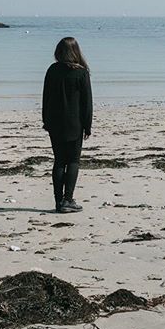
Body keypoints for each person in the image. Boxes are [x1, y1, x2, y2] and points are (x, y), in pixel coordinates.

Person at [42, 37, 93, 213]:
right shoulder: (81, 73)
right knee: (73, 161)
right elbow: (87, 103)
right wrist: (88, 125)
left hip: (54, 122)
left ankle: (58, 201)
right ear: (76, 51)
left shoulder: (52, 70)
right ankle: (68, 199)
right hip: (74, 123)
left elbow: (45, 98)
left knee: (59, 161)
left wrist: (45, 120)